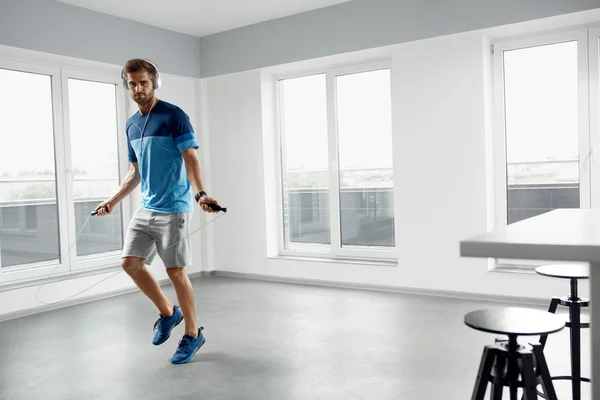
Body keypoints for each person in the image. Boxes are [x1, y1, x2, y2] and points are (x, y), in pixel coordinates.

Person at [94, 58, 220, 364]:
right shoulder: (131, 125)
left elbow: (190, 157)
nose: (138, 89)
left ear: (155, 83)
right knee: (129, 262)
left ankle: (192, 334)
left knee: (176, 272)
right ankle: (168, 312)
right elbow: (134, 172)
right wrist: (113, 200)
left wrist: (200, 193)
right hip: (146, 207)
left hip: (174, 208)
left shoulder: (174, 116)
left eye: (144, 83)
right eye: (132, 84)